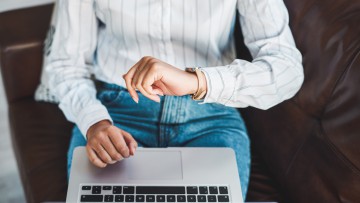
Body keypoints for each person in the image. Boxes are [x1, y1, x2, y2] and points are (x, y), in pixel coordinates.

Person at [40, 0, 304, 197]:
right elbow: (65, 65)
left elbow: (286, 69)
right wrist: (93, 121)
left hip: (211, 116)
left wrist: (196, 81)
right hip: (115, 114)